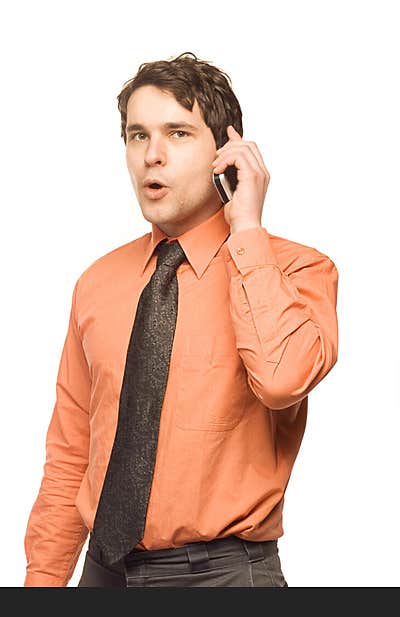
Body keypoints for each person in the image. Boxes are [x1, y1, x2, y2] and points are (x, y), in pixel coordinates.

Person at [23, 52, 339, 587]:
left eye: (178, 133)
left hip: (221, 578)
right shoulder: (98, 283)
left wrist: (247, 229)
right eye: (137, 135)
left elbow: (283, 379)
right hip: (103, 575)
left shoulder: (295, 269)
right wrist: (43, 581)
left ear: (227, 152)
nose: (153, 155)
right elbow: (73, 449)